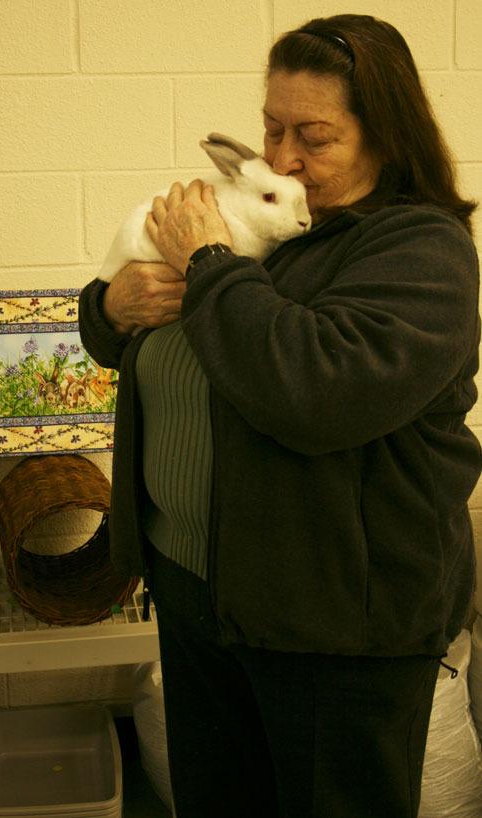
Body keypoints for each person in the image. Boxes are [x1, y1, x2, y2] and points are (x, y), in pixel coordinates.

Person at [79, 13, 481, 818]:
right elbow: (154, 347)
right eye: (272, 128)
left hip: (332, 628)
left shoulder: (418, 249)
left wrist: (208, 262)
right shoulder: (269, 225)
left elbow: (313, 391)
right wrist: (110, 309)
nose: (285, 155)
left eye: (315, 135)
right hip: (200, 594)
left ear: (385, 136)